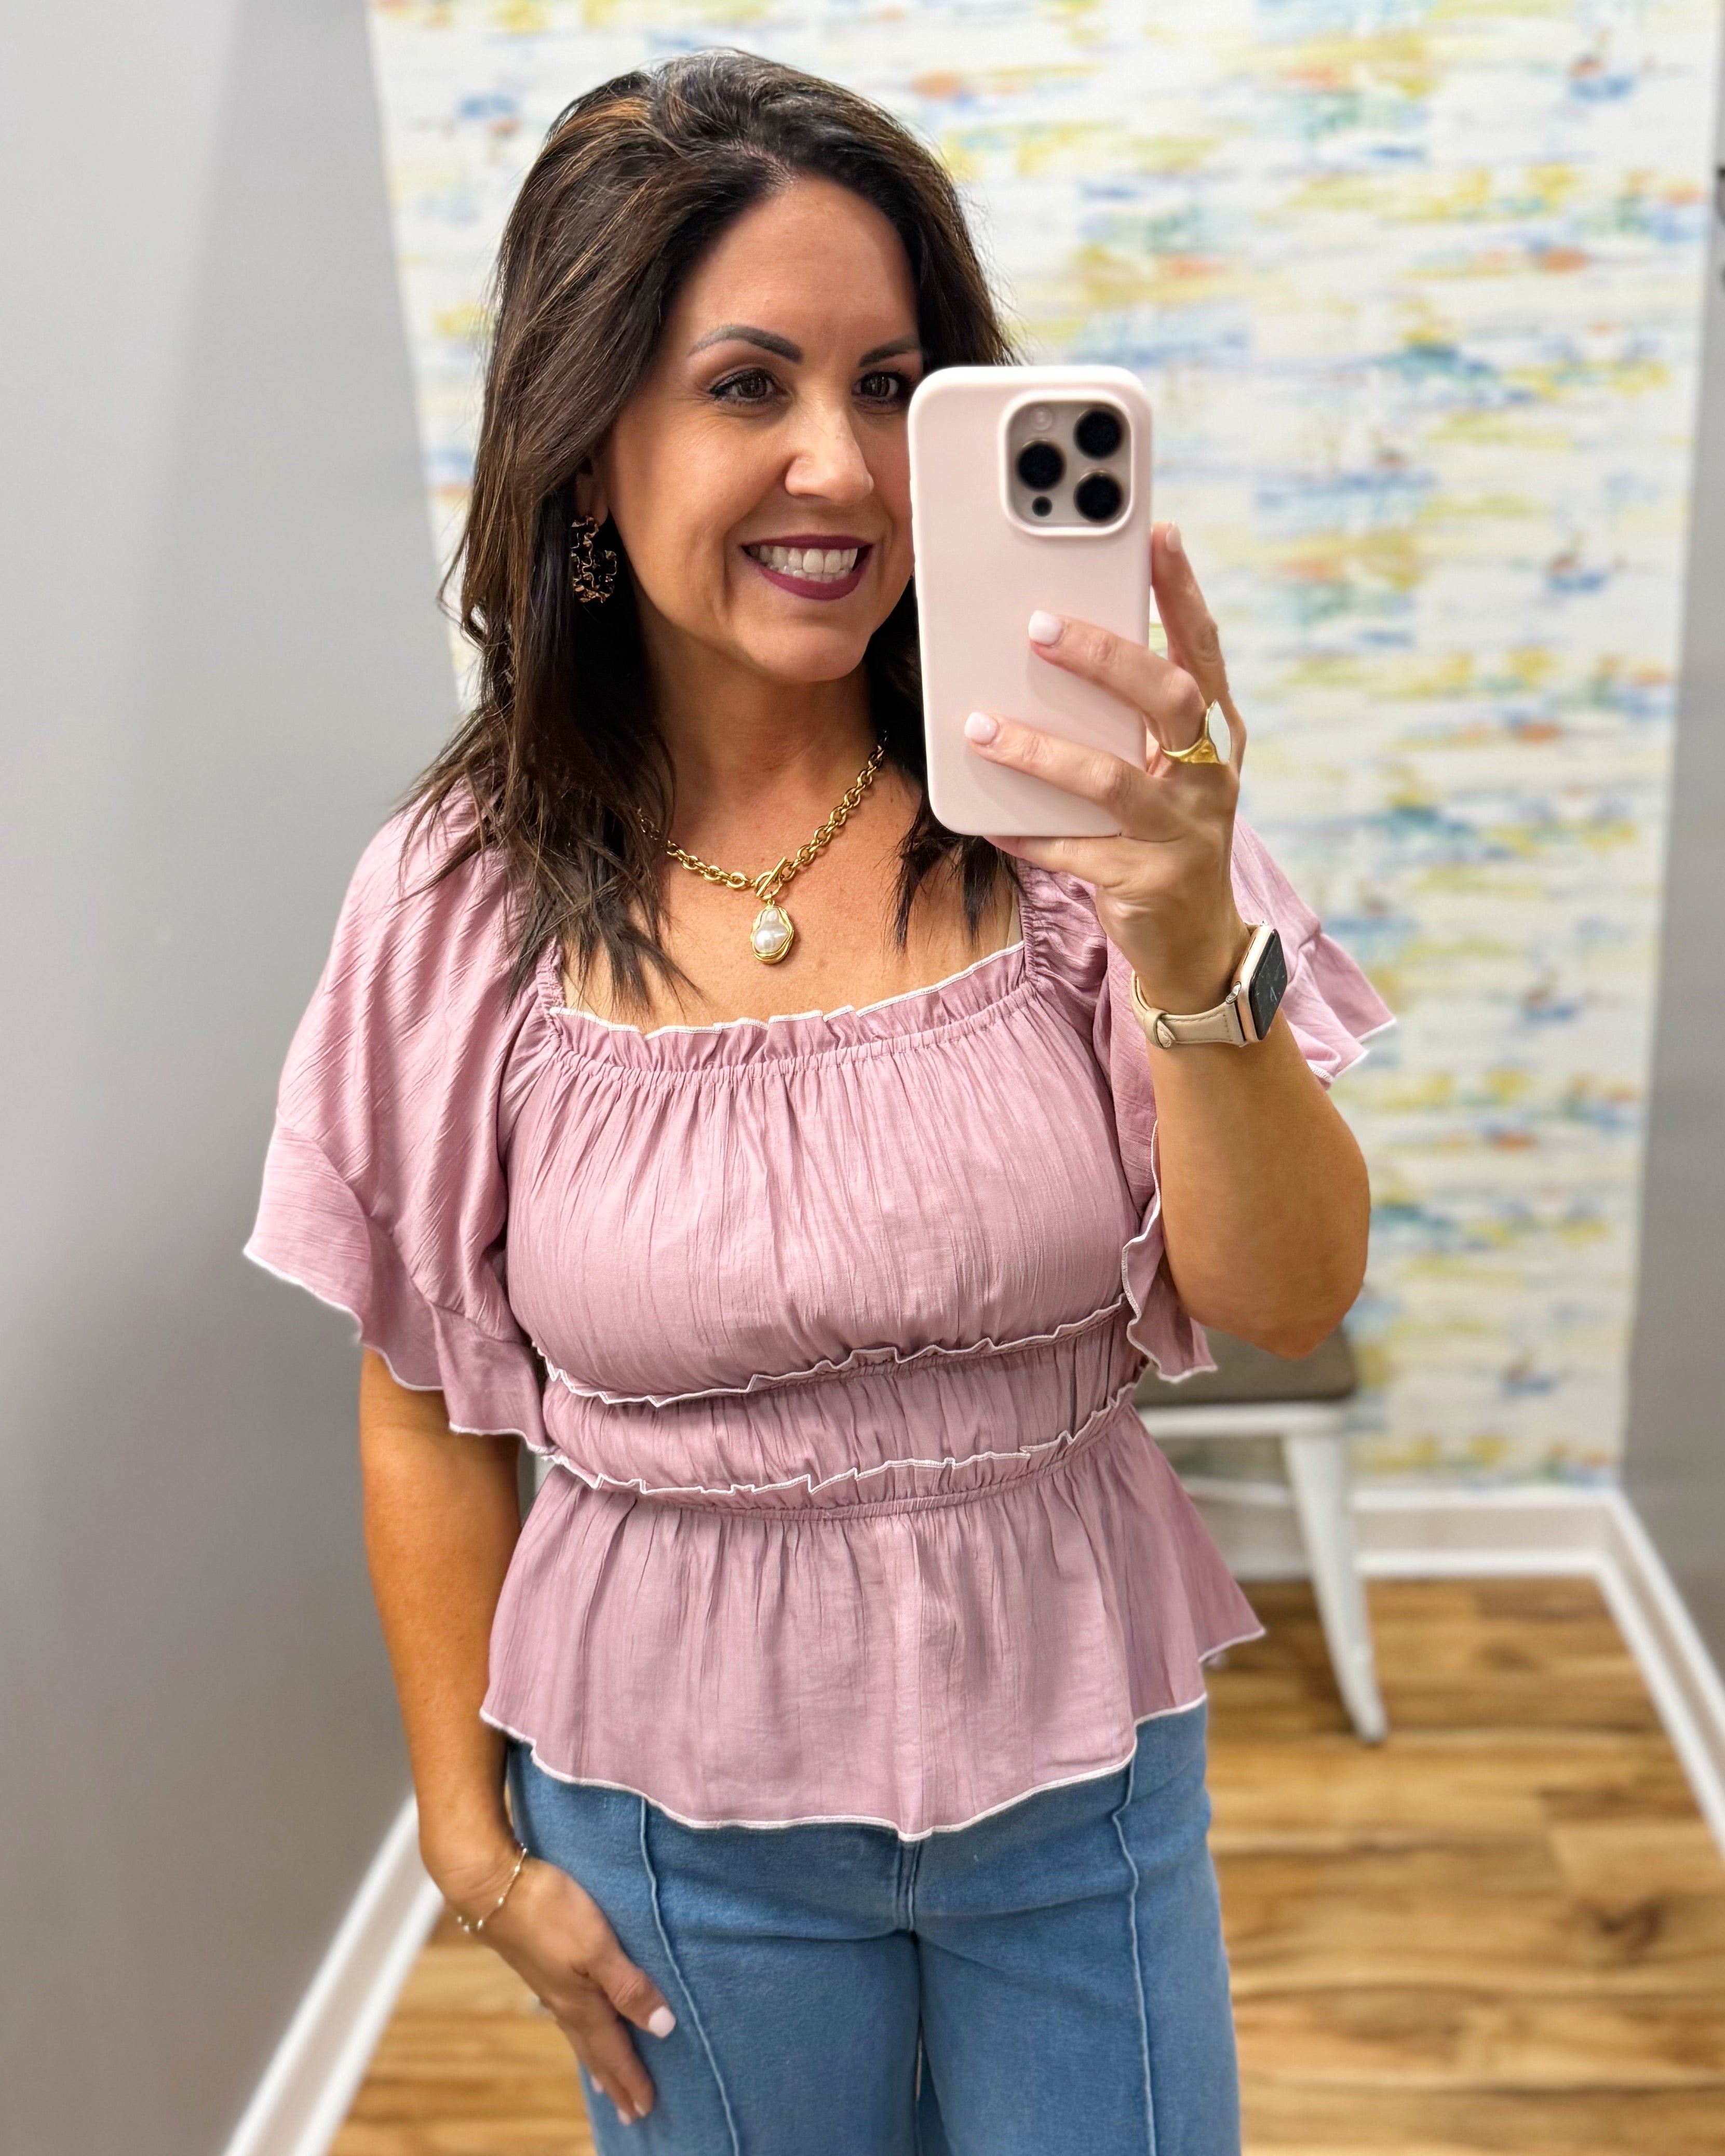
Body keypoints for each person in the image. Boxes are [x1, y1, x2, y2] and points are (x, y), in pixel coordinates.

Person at [247, 49, 1387, 2156]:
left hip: (1076, 1773)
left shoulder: (1092, 830)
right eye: (748, 386)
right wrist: (467, 1844)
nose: (841, 468)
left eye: (895, 386)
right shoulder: (454, 898)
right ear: (588, 449)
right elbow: (419, 1392)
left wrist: (1178, 932)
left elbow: (1295, 1296)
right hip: (671, 1814)